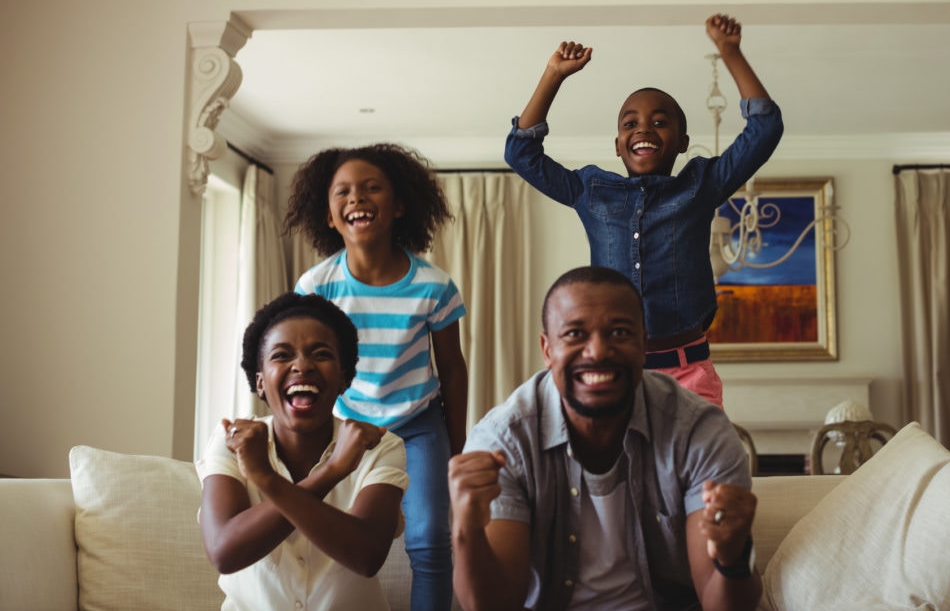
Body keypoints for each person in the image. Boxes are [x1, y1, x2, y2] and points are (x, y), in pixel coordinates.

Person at [504, 14, 783, 408]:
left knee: (703, 468)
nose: (644, 129)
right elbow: (520, 153)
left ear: (683, 142)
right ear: (617, 144)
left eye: (660, 122)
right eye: (630, 123)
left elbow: (764, 130)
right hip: (613, 369)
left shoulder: (702, 184)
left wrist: (730, 53)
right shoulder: (590, 190)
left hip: (688, 372)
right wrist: (554, 75)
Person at [449, 266, 761, 611]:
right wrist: (465, 530)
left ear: (644, 344)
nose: (597, 351)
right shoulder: (504, 441)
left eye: (619, 332)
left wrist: (733, 558)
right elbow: (493, 606)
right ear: (547, 349)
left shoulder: (698, 431)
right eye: (574, 334)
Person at [284, 143, 467, 611]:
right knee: (327, 533)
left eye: (371, 189)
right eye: (342, 192)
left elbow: (452, 368)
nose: (356, 199)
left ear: (400, 205)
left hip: (417, 426)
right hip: (343, 424)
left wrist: (455, 444)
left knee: (429, 538)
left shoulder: (435, 286)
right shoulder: (315, 286)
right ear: (328, 215)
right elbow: (304, 367)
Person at [197, 292, 408, 611]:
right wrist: (331, 473)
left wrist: (268, 480)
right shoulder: (231, 442)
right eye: (282, 355)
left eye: (320, 354)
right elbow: (224, 552)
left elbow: (367, 556)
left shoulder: (379, 446)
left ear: (343, 378)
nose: (302, 366)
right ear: (260, 383)